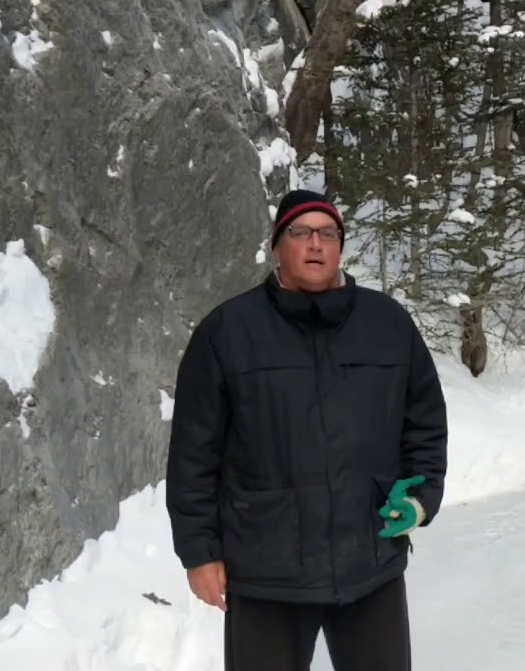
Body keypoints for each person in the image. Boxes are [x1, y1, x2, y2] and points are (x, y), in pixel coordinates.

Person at [165, 189, 449, 671]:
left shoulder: (388, 324)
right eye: (301, 233)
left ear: (340, 246)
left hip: (369, 561)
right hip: (265, 568)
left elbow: (424, 423)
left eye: (328, 234)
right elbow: (194, 452)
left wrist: (420, 498)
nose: (315, 244)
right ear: (278, 247)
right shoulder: (228, 331)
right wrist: (199, 552)